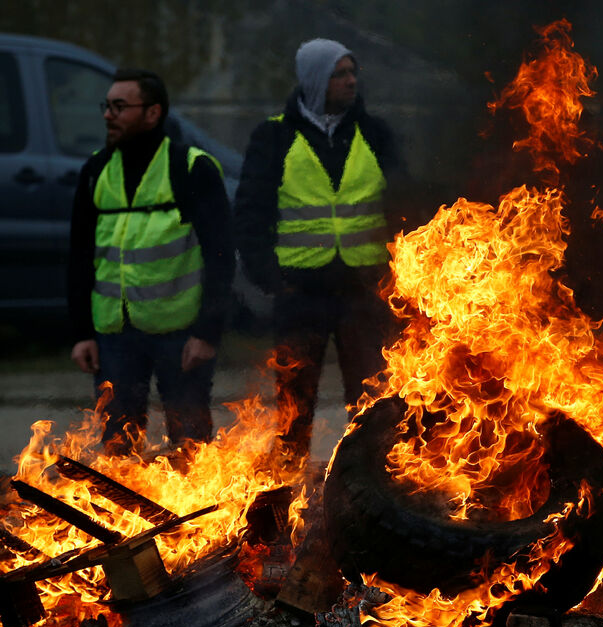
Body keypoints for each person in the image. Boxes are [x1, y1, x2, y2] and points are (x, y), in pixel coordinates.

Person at [234, 38, 404, 463]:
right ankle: (288, 498)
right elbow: (251, 213)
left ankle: (372, 484)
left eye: (352, 72)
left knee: (372, 403)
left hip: (362, 293)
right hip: (300, 294)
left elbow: (404, 205)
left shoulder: (374, 133)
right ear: (314, 80)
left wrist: (396, 275)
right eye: (338, 74)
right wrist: (271, 279)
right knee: (293, 408)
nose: (350, 81)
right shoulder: (274, 136)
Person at [67, 69, 234, 458]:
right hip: (113, 334)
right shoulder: (96, 170)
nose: (108, 114)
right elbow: (78, 256)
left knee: (190, 447)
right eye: (106, 106)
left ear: (153, 112)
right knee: (118, 449)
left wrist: (207, 333)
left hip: (181, 335)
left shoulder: (191, 168)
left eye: (120, 106)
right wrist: (81, 333)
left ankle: (196, 520)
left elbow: (221, 256)